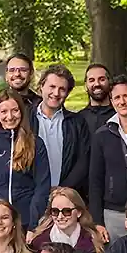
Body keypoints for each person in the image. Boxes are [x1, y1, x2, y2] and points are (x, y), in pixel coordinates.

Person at [0, 90, 50, 230]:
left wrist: (33, 224)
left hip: (25, 223)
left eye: (15, 110)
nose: (10, 116)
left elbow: (42, 186)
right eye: (4, 111)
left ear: (22, 112)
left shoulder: (36, 143)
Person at [89, 77, 127, 241]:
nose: (122, 101)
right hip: (113, 213)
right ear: (111, 101)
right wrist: (97, 221)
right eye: (117, 98)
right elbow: (95, 180)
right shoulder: (102, 134)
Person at [29, 187, 106, 253]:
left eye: (66, 211)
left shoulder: (93, 242)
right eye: (55, 211)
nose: (60, 216)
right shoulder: (38, 243)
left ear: (79, 212)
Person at [31, 64, 90, 195]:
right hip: (31, 194)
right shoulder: (26, 119)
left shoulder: (77, 123)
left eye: (62, 89)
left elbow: (83, 160)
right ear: (41, 87)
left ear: (68, 92)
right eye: (52, 87)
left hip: (66, 197)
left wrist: (63, 190)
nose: (56, 93)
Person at [0, 52, 40, 120]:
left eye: (23, 70)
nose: (17, 74)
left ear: (31, 73)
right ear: (6, 75)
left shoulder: (40, 106)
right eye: (12, 70)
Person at [78, 63, 113, 133]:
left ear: (109, 82)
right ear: (85, 86)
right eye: (91, 80)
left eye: (102, 79)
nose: (97, 84)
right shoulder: (79, 119)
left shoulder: (120, 115)